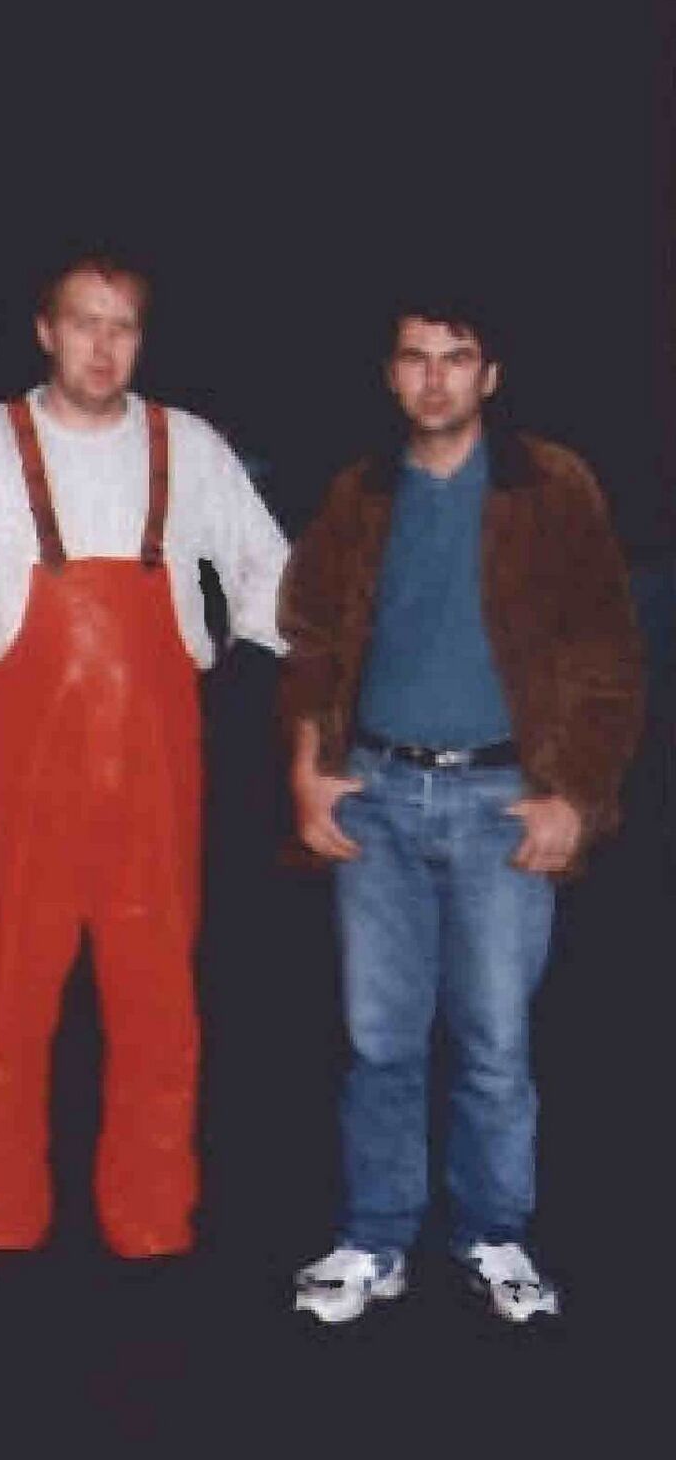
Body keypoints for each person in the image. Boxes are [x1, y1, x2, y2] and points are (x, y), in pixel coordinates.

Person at [0, 252, 288, 1264]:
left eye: (123, 326)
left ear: (142, 338)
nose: (102, 347)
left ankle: (153, 1228)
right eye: (83, 323)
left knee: (160, 1018)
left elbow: (274, 577)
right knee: (5, 1015)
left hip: (154, 786)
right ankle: (2, 1227)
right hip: (14, 789)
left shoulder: (187, 445)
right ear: (45, 330)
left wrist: (254, 675)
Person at [281, 295, 644, 1327]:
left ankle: (494, 1233)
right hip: (377, 796)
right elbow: (310, 640)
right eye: (415, 356)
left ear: (490, 375)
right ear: (389, 373)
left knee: (494, 1039)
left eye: (457, 357)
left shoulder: (551, 486)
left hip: (501, 799)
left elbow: (609, 654)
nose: (434, 377)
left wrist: (576, 796)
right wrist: (308, 773)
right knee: (377, 1038)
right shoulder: (359, 492)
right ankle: (374, 1237)